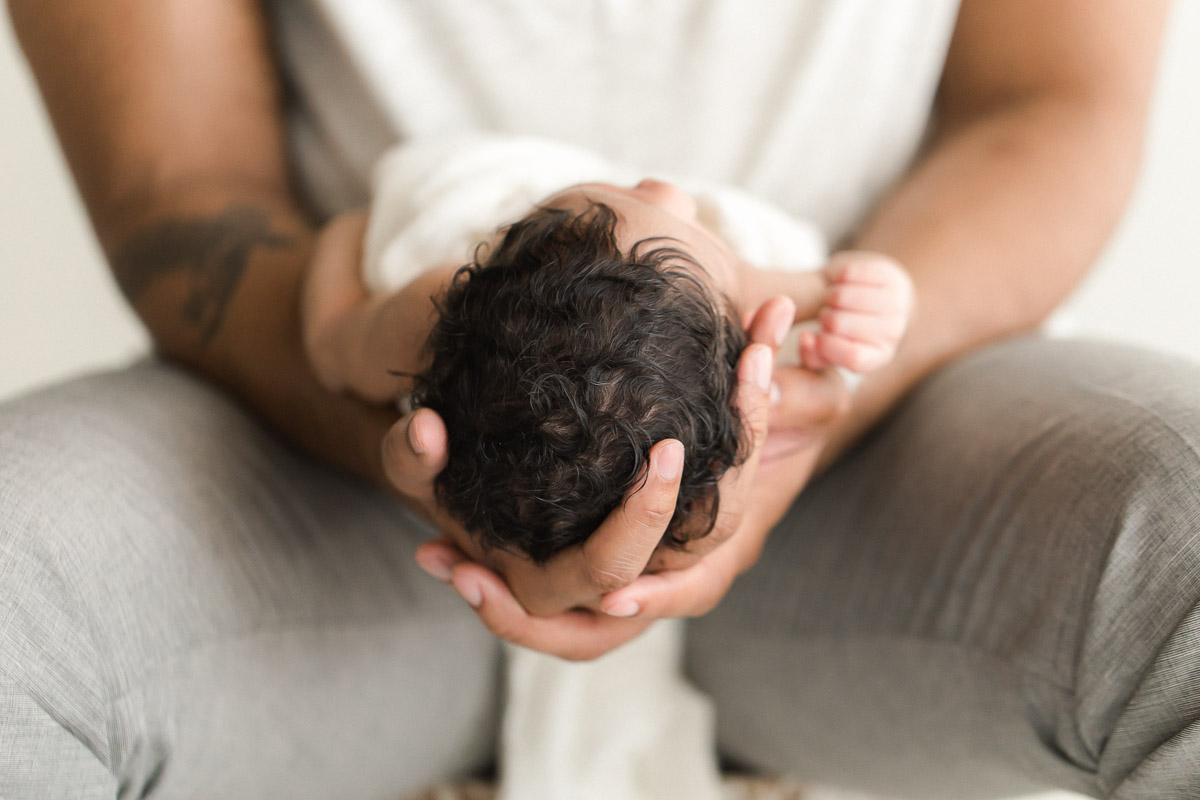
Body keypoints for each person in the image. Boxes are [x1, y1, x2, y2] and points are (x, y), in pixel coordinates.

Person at [2, 3, 1191, 800]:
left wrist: (845, 370)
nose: (664, 180)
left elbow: (1050, 98)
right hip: (335, 486)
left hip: (872, 459)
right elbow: (182, 187)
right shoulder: (415, 269)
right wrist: (387, 386)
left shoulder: (762, 315)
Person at [303, 133, 912, 563]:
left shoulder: (430, 302)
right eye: (647, 204)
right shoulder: (743, 298)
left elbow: (332, 344)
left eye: (626, 199)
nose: (666, 187)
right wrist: (869, 293)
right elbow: (809, 293)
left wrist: (345, 233)